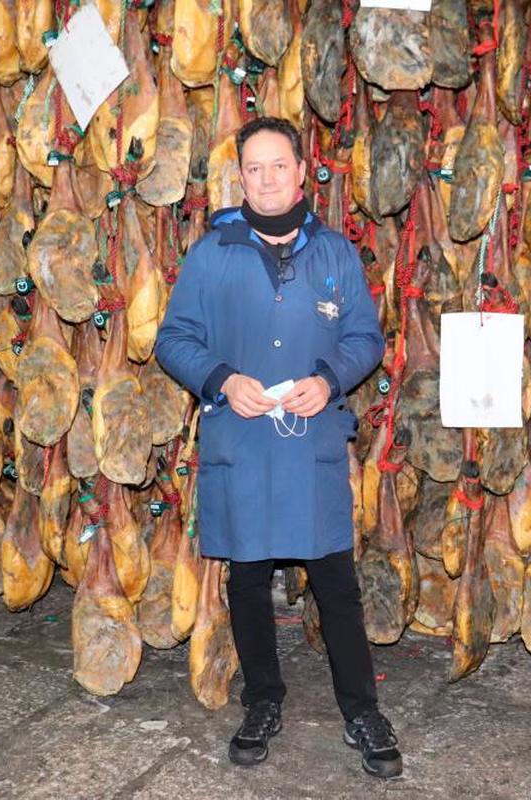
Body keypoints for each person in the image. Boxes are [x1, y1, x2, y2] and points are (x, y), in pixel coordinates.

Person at [154, 117, 400, 778]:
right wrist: (222, 380)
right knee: (249, 580)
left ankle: (362, 710)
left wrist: (329, 379)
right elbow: (173, 339)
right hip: (241, 438)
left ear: (301, 172)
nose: (266, 180)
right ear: (242, 177)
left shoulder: (336, 254)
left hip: (312, 440)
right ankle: (263, 700)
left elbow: (366, 339)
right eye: (253, 169)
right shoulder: (213, 254)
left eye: (277, 166)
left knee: (336, 585)